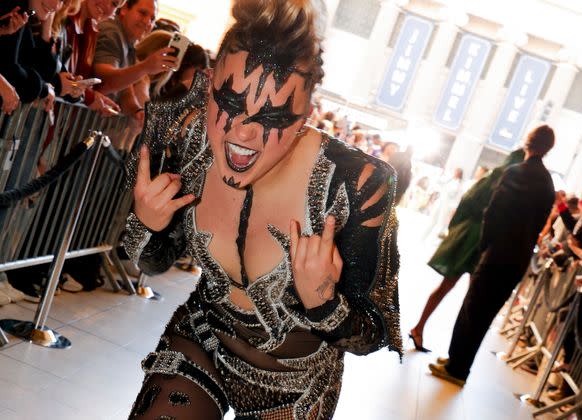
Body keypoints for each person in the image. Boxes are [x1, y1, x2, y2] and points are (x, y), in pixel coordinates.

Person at [123, 1, 401, 418]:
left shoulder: (356, 182)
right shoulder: (184, 134)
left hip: (295, 381)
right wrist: (147, 225)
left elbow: (373, 333)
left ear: (307, 113)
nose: (242, 132)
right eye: (230, 103)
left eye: (273, 115)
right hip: (203, 338)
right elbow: (153, 261)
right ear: (209, 80)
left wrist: (324, 301)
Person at [429, 125, 556, 386]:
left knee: (472, 309)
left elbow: (493, 213)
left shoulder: (515, 172)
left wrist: (485, 246)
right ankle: (457, 362)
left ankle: (457, 368)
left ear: (527, 143)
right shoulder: (548, 183)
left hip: (496, 252)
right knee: (484, 315)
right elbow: (541, 222)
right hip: (518, 259)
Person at [409, 148, 525, 352]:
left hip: (467, 236)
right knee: (472, 297)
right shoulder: (512, 183)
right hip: (482, 240)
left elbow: (467, 201)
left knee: (447, 286)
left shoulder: (493, 176)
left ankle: (419, 328)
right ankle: (455, 349)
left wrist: (457, 228)